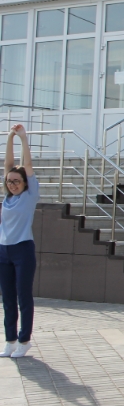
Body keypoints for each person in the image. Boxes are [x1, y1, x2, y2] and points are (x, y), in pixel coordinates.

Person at [0, 125, 39, 358]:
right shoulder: (7, 197)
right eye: (10, 181)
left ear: (25, 182)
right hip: (3, 251)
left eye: (17, 181)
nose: (13, 184)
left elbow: (27, 165)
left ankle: (24, 340)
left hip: (23, 249)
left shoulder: (30, 195)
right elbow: (8, 165)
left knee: (23, 296)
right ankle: (10, 340)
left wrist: (23, 138)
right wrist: (9, 138)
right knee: (7, 298)